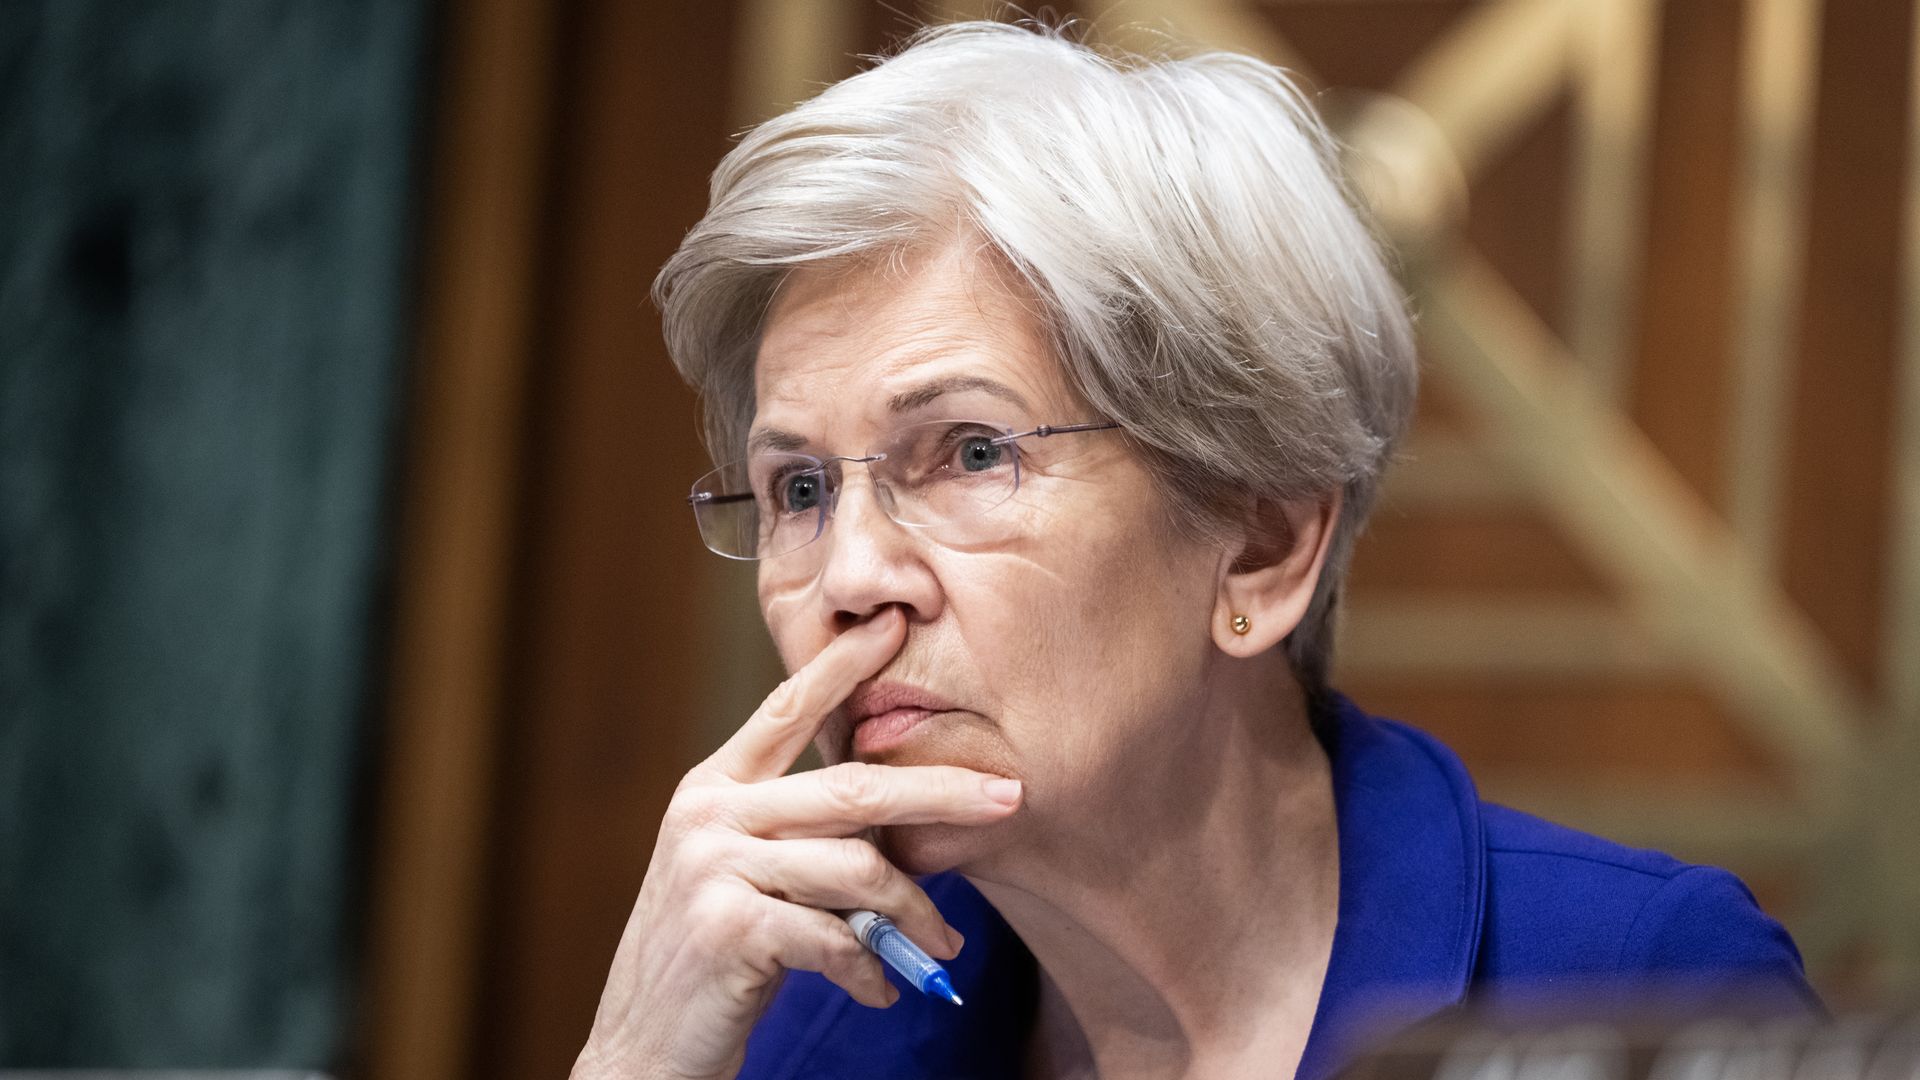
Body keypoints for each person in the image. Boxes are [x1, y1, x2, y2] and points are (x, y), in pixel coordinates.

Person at [572, 21, 1818, 1080]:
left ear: (1261, 547)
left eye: (968, 453)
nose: (846, 580)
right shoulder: (829, 1013)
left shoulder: (1636, 988)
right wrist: (633, 1054)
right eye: (797, 486)